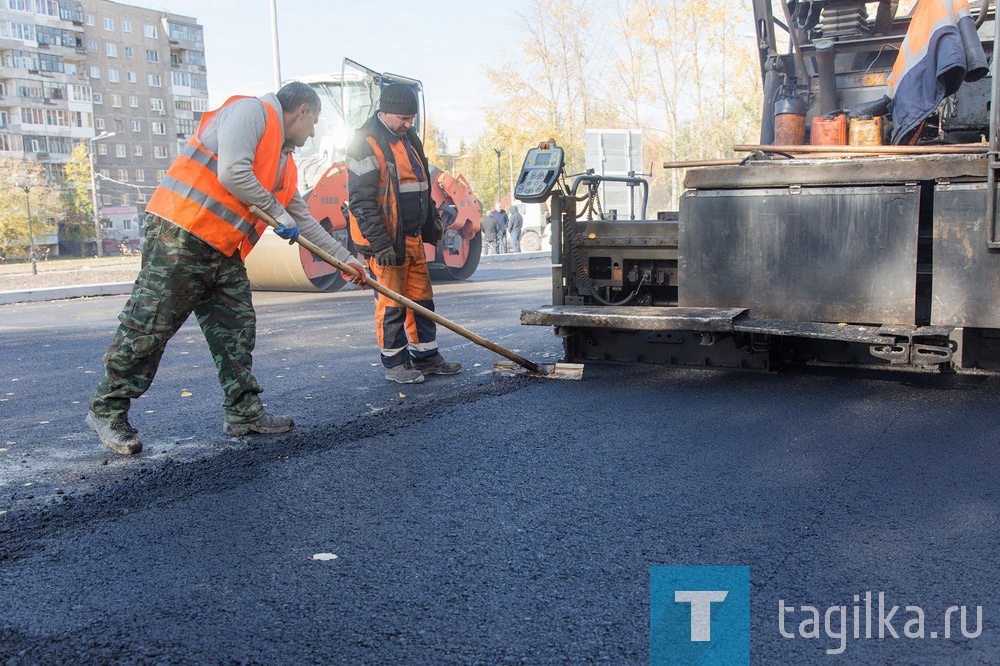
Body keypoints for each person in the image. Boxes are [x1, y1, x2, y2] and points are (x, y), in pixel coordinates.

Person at [86, 82, 366, 455]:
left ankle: (244, 412)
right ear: (300, 111)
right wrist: (278, 213)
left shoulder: (284, 162)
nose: (313, 131)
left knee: (236, 329)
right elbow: (233, 173)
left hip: (224, 249)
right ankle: (107, 410)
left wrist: (344, 259)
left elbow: (304, 219)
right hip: (181, 234)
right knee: (150, 326)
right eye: (313, 121)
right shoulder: (251, 112)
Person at [346, 83, 462, 384]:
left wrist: (431, 220)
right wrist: (380, 243)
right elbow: (361, 201)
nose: (409, 124)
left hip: (410, 237)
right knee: (392, 304)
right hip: (386, 243)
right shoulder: (365, 141)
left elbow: (421, 184)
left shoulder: (408, 137)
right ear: (385, 111)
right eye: (404, 118)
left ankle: (426, 356)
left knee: (422, 300)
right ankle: (395, 364)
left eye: (412, 118)